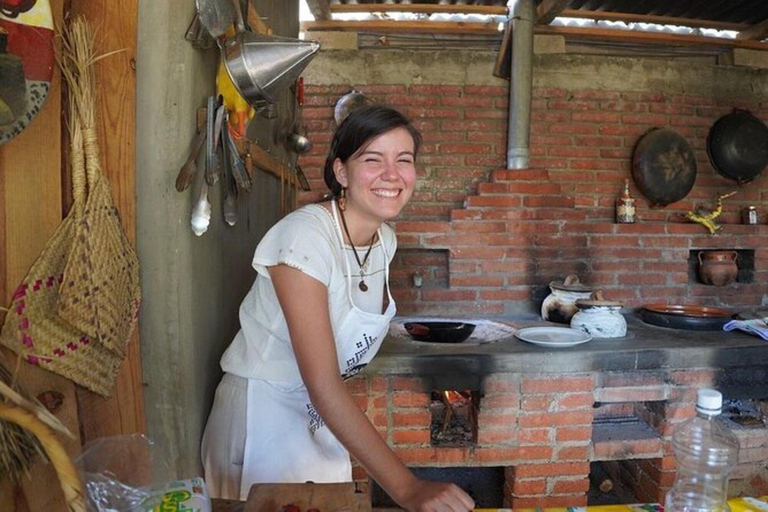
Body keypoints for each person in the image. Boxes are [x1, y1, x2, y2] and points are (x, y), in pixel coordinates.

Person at [201, 105, 475, 511]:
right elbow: (325, 384)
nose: (392, 174)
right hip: (262, 422)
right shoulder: (304, 238)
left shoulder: (385, 241)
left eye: (404, 160)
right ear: (342, 172)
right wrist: (408, 488)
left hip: (318, 422)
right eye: (372, 159)